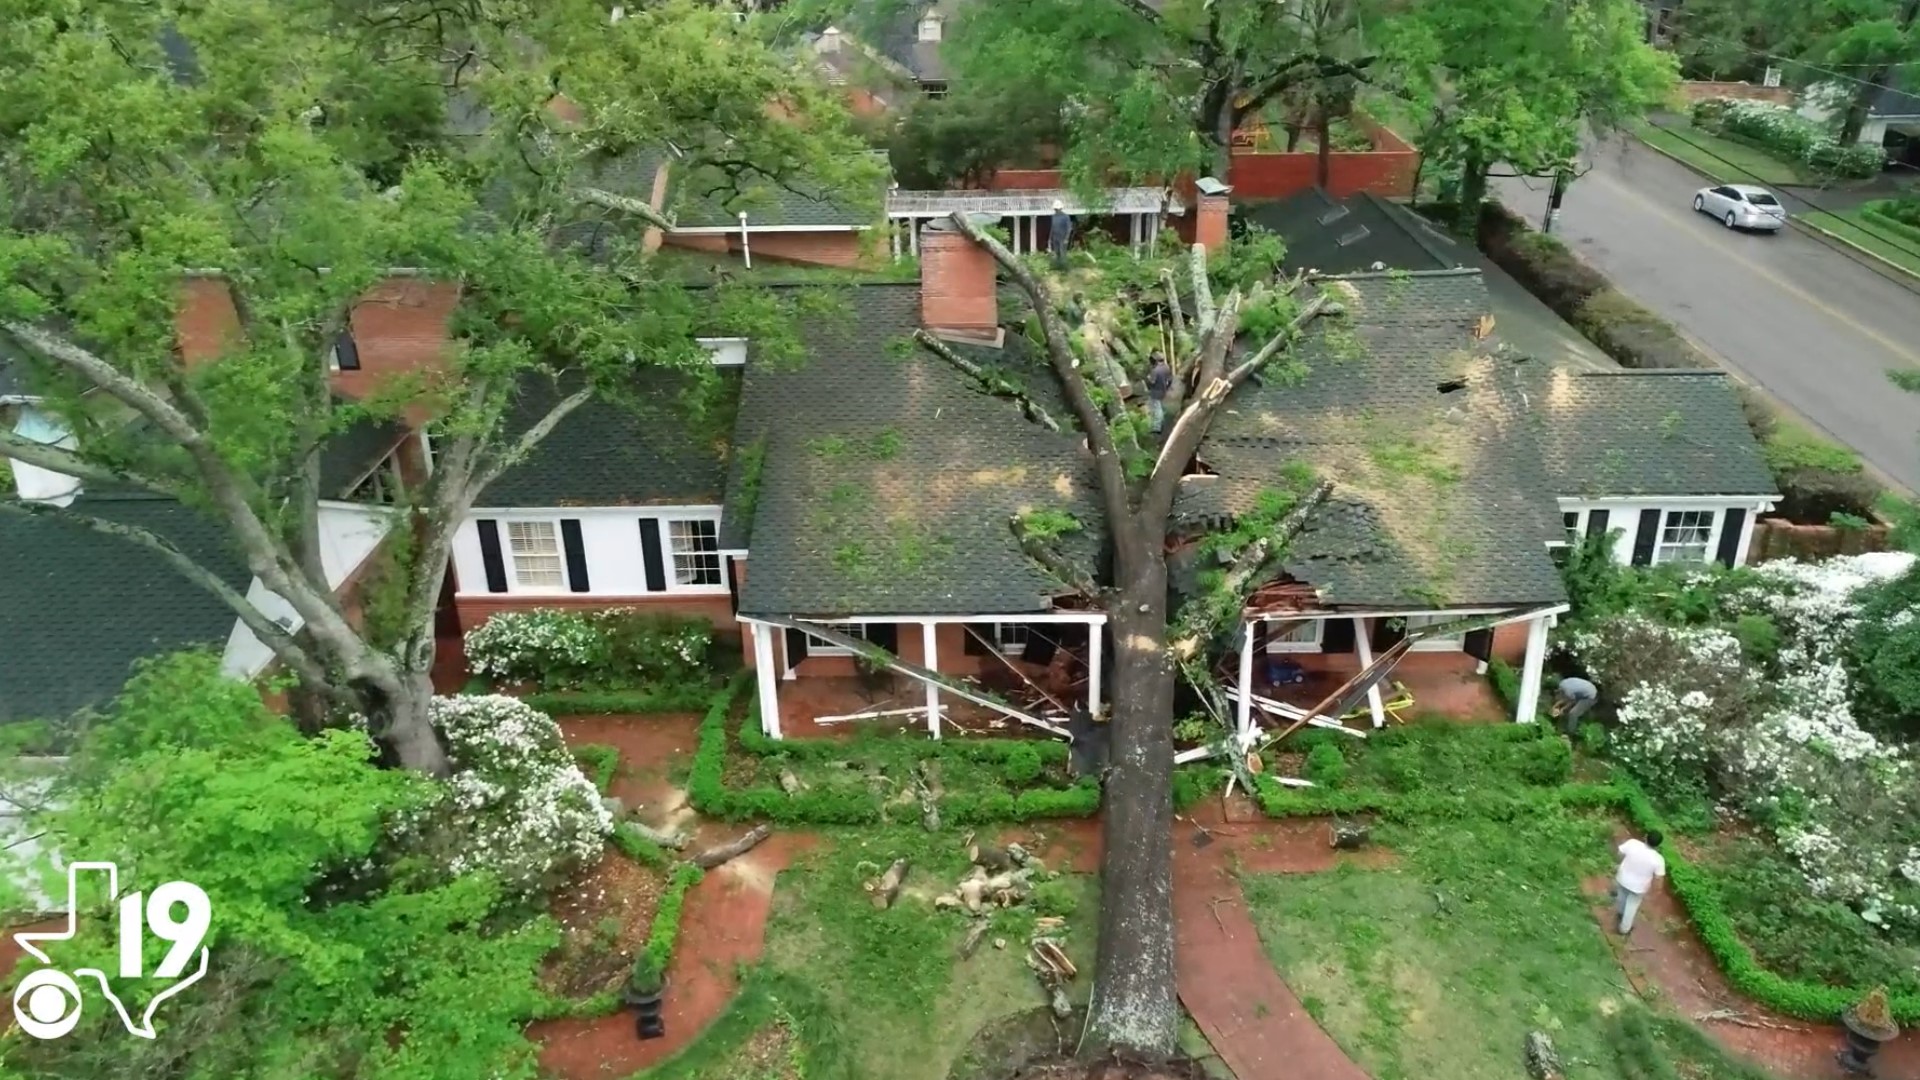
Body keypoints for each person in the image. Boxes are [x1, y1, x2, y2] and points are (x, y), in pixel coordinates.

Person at [1613, 831, 1665, 936]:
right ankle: (1624, 929)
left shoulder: (1633, 843)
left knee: (1622, 897)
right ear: (1658, 845)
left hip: (1622, 878)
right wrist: (1656, 890)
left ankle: (1620, 913)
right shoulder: (1659, 859)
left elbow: (1619, 853)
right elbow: (1659, 878)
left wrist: (1621, 864)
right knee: (1632, 906)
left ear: (1645, 837)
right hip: (1638, 887)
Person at [1145, 352, 1173, 433]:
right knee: (1160, 407)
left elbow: (1152, 382)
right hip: (1163, 391)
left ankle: (1156, 428)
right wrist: (1166, 388)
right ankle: (1162, 424)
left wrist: (1147, 378)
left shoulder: (1155, 370)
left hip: (1155, 392)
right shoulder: (1166, 368)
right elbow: (1170, 380)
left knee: (1156, 409)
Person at [1049, 200, 1073, 270]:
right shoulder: (1053, 216)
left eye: (1057, 209)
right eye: (1055, 209)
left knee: (1063, 253)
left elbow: (1069, 228)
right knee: (1057, 253)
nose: (1056, 210)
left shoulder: (1066, 217)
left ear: (1060, 209)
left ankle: (1065, 268)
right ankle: (1058, 268)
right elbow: (1052, 227)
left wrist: (1066, 238)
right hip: (1055, 237)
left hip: (1062, 238)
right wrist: (1050, 238)